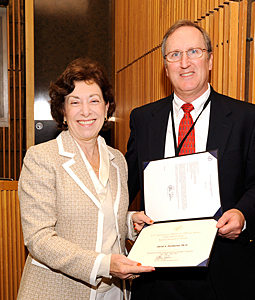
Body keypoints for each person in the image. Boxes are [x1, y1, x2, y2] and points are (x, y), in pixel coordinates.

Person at [125, 20, 255, 300]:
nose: (184, 62)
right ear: (165, 65)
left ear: (210, 59)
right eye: (174, 55)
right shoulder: (143, 119)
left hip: (226, 272)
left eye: (194, 52)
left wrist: (243, 215)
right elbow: (123, 189)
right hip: (159, 274)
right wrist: (129, 218)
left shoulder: (246, 117)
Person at [17, 58, 154, 300]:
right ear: (63, 111)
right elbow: (39, 238)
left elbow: (100, 215)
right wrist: (104, 265)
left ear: (106, 107)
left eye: (94, 100)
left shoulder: (117, 160)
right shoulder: (41, 158)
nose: (86, 111)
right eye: (75, 102)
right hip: (58, 291)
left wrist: (130, 221)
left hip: (113, 291)